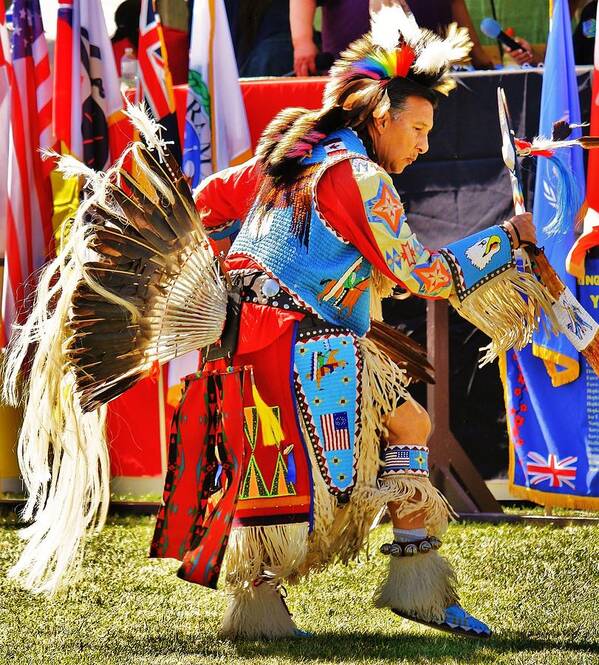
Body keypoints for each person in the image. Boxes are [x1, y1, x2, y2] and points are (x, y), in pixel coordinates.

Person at [7, 5, 548, 643]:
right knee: (380, 438)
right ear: (382, 115)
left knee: (268, 468)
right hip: (299, 343)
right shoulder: (361, 177)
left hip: (239, 334)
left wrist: (158, 240)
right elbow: (421, 275)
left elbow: (210, 198)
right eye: (420, 127)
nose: (425, 144)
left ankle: (279, 608)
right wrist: (503, 241)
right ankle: (408, 584)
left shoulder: (295, 152)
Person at [290, 0, 494, 76]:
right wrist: (302, 41)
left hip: (431, 73)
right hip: (358, 74)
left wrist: (478, 55)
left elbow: (455, 4)